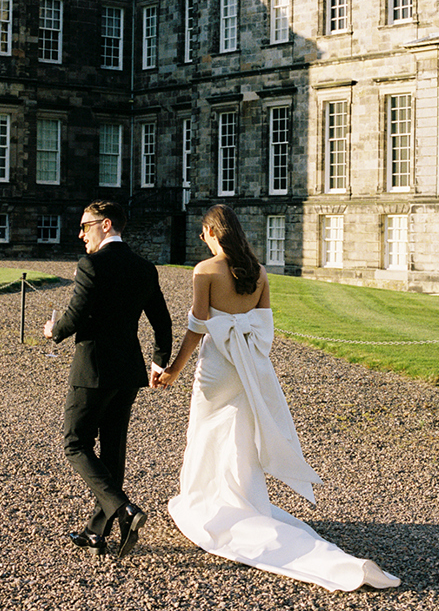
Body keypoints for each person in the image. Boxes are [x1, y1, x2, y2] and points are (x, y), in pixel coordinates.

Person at [155, 204, 400, 592]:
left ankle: (207, 502)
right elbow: (264, 329)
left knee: (205, 433)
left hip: (218, 366)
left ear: (213, 232)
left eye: (203, 233)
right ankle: (242, 498)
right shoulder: (259, 271)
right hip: (247, 364)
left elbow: (197, 330)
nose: (202, 239)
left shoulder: (204, 271)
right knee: (239, 434)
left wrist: (172, 371)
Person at [44, 200, 172, 558]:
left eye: (86, 225)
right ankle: (97, 532)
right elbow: (162, 322)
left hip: (93, 368)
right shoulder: (145, 268)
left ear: (106, 224)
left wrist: (54, 331)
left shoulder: (92, 265)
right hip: (129, 371)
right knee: (113, 449)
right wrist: (159, 362)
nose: (80, 233)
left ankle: (123, 508)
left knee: (75, 441)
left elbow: (75, 314)